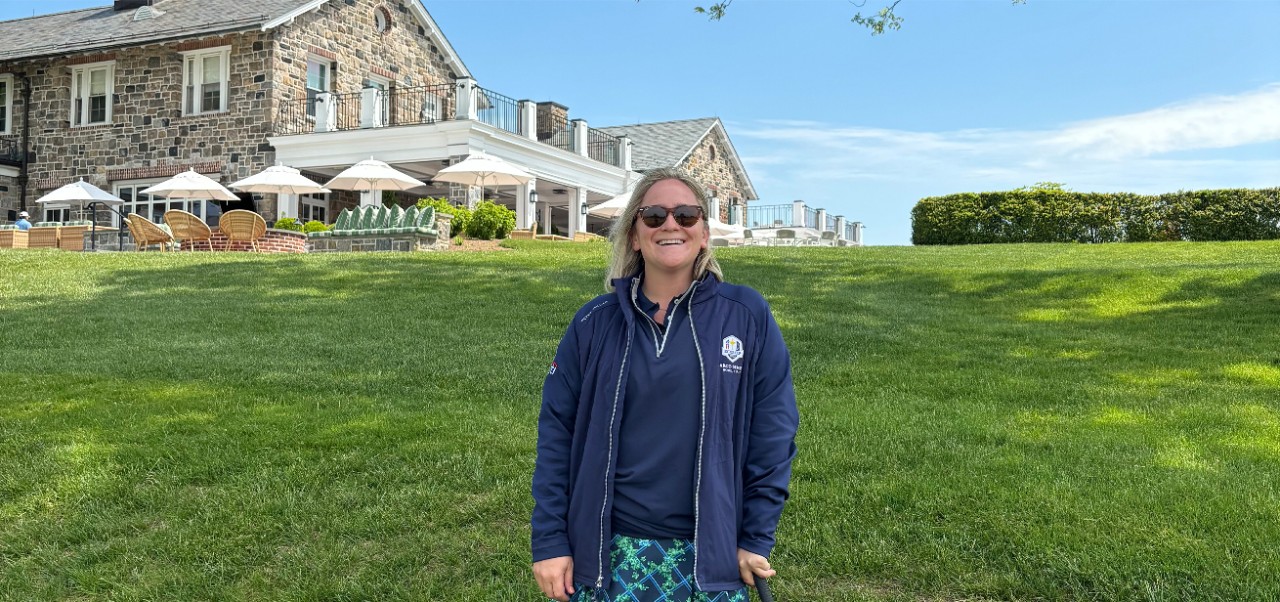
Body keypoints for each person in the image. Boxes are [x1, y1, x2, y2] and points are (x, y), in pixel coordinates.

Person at [532, 167, 799, 602]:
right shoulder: (593, 323)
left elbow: (774, 432)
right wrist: (550, 541)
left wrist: (755, 536)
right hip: (607, 554)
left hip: (710, 555)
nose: (670, 224)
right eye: (653, 215)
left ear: (705, 233)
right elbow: (556, 436)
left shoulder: (746, 315)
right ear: (634, 236)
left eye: (687, 215)